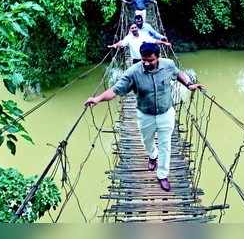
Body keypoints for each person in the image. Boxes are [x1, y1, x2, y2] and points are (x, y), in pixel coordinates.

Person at [84, 43, 204, 192]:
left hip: (166, 113)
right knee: (146, 141)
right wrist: (97, 99)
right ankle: (152, 155)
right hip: (145, 115)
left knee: (165, 145)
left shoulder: (168, 65)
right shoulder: (133, 72)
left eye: (150, 60)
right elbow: (115, 90)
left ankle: (162, 175)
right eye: (143, 60)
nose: (146, 63)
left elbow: (178, 73)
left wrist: (189, 84)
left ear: (158, 57)